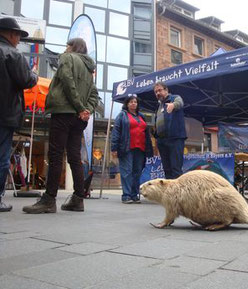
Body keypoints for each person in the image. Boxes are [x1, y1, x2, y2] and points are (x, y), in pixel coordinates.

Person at [23, 38, 99, 214]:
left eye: (67, 45)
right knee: (74, 156)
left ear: (72, 47)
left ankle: (49, 200)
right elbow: (94, 94)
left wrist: (80, 107)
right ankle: (78, 199)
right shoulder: (89, 68)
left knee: (56, 155)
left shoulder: (67, 57)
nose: (65, 48)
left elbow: (66, 80)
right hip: (79, 118)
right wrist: (86, 110)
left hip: (64, 111)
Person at [0, 17, 38, 212]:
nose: (18, 41)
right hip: (5, 113)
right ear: (12, 35)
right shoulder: (13, 55)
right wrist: (34, 74)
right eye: (18, 37)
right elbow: (27, 80)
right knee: (1, 156)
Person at [111, 95, 153, 203]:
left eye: (135, 102)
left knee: (137, 172)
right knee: (127, 171)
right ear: (127, 104)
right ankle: (126, 195)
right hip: (127, 148)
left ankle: (134, 195)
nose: (133, 103)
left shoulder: (141, 116)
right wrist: (114, 148)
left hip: (141, 148)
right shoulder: (122, 115)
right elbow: (116, 131)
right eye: (131, 102)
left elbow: (146, 133)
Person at [153, 82, 186, 179]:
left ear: (166, 90)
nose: (158, 93)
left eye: (160, 90)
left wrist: (173, 105)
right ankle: (169, 193)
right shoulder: (159, 106)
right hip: (162, 141)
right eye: (156, 92)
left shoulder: (175, 98)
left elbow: (180, 103)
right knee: (166, 169)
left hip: (175, 139)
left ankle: (178, 194)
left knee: (176, 168)